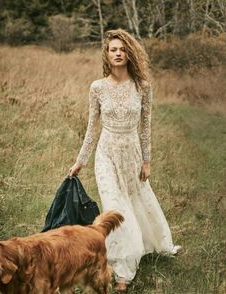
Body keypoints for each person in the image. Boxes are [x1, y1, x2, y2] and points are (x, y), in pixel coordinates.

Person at [69, 28, 180, 292]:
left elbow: (145, 128)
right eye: (113, 50)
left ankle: (144, 245)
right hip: (106, 154)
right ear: (107, 55)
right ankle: (122, 271)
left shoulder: (142, 87)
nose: (118, 53)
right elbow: (92, 128)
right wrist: (80, 162)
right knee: (115, 209)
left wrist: (147, 161)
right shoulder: (97, 88)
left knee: (136, 202)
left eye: (122, 49)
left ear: (130, 53)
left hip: (131, 154)